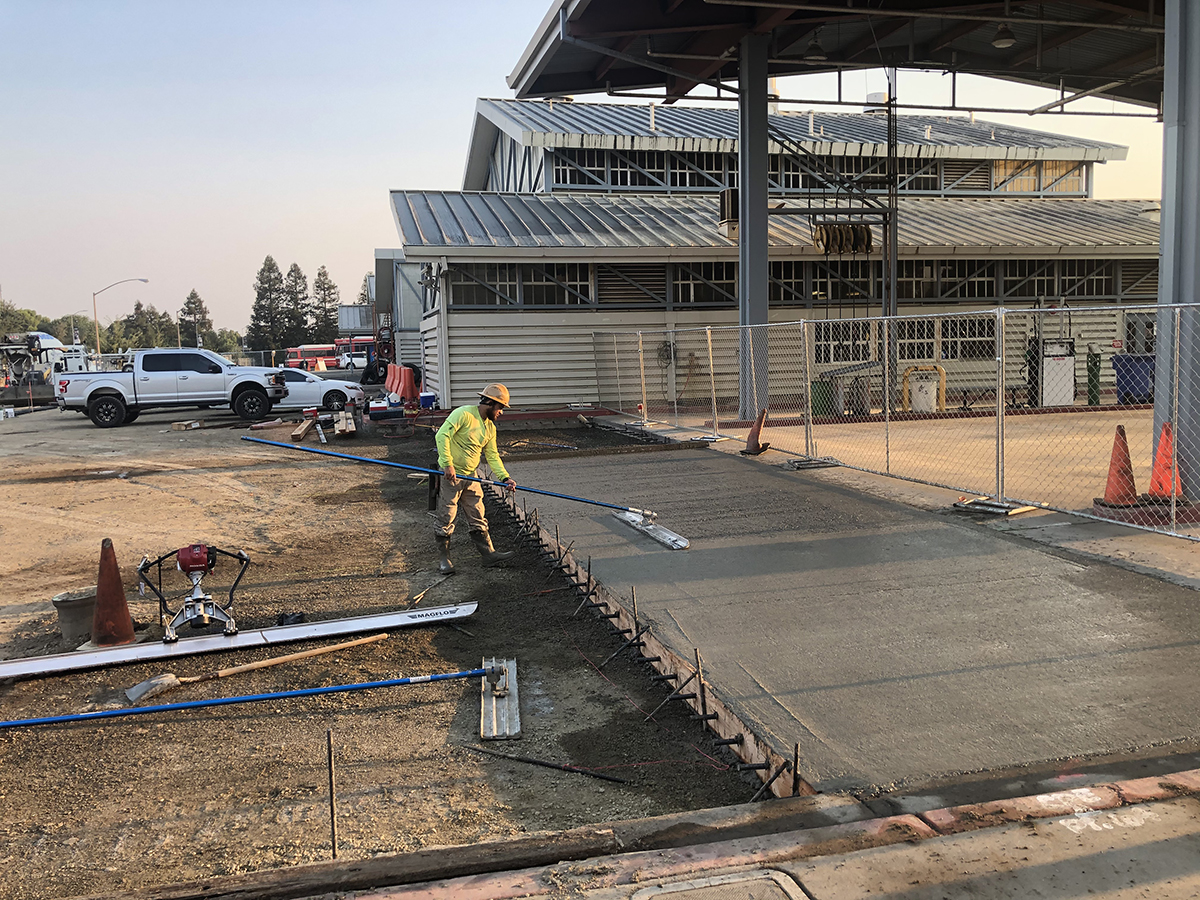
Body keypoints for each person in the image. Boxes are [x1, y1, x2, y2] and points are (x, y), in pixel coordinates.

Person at [433, 383, 517, 574]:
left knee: (478, 514)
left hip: (471, 476)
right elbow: (442, 435)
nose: (501, 412)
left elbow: (492, 456)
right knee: (446, 516)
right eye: (501, 407)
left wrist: (505, 478)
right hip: (451, 475)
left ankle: (488, 555)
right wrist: (447, 464)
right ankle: (444, 560)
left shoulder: (489, 428)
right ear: (490, 403)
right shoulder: (463, 414)